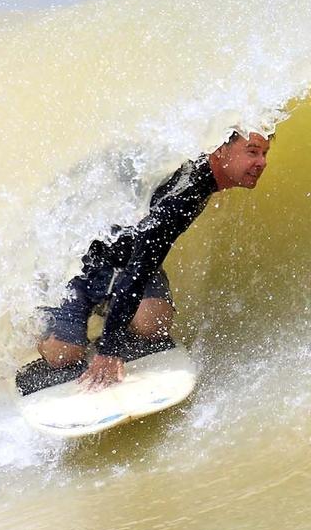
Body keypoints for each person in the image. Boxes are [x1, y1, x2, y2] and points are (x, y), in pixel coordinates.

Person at [15, 130, 271, 394]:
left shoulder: (197, 173)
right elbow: (139, 270)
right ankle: (48, 320)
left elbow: (141, 262)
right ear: (220, 150)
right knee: (63, 357)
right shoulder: (183, 194)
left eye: (265, 153)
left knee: (153, 324)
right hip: (76, 265)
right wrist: (109, 352)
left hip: (125, 259)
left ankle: (109, 320)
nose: (262, 162)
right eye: (252, 152)